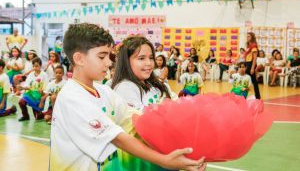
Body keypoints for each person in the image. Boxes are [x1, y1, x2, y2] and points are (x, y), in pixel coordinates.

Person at [50, 23, 206, 171]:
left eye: (109, 56)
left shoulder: (103, 91)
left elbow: (135, 118)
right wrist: (165, 160)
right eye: (101, 57)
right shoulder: (72, 98)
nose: (108, 63)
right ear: (79, 58)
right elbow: (118, 138)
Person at [112, 35, 173, 111]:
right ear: (126, 61)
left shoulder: (154, 83)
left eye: (151, 58)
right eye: (141, 58)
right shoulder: (125, 88)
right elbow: (140, 119)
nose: (149, 63)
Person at [244, 32, 260, 99]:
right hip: (247, 63)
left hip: (251, 64)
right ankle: (257, 96)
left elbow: (254, 58)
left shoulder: (254, 46)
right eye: (247, 36)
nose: (247, 37)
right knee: (251, 81)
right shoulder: (248, 46)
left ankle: (257, 96)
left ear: (252, 37)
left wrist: (252, 68)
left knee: (250, 80)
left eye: (249, 36)